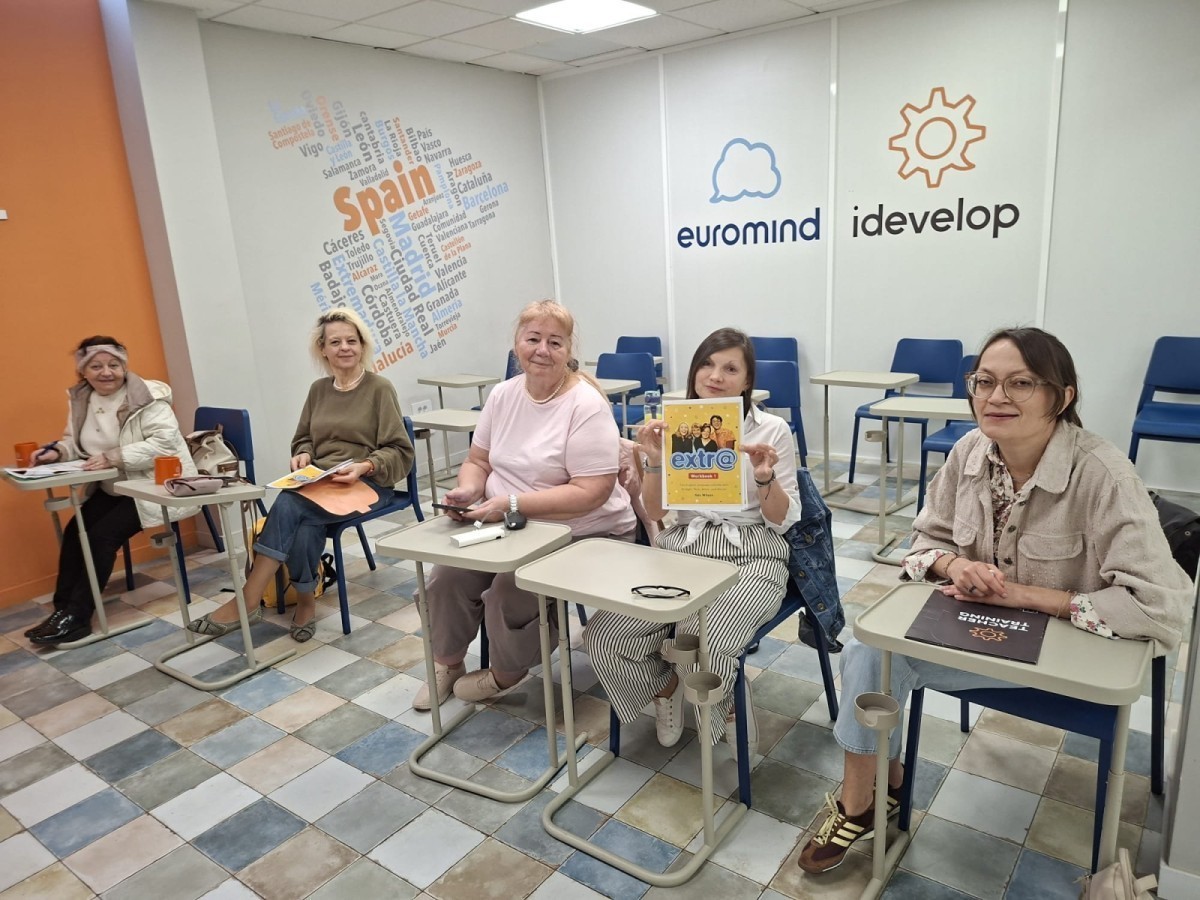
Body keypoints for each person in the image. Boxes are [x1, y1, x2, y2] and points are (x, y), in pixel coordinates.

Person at [797, 327, 1192, 874]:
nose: (995, 397)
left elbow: (1160, 605)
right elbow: (924, 541)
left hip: (1066, 653)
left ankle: (877, 789)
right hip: (983, 636)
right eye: (984, 381)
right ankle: (863, 800)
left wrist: (1027, 596)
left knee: (878, 660)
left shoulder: (1104, 475)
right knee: (870, 651)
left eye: (1020, 383)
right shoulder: (969, 452)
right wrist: (954, 565)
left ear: (1062, 396)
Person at [586, 328, 803, 756]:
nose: (715, 376)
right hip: (683, 545)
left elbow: (781, 520)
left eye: (730, 368)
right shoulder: (675, 425)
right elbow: (655, 510)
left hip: (752, 551)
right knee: (604, 636)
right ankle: (666, 687)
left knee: (707, 638)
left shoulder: (771, 429)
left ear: (747, 380)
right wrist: (653, 461)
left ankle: (724, 706)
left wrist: (765, 478)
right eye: (707, 364)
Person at [414, 300, 636, 709]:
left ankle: (507, 672)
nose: (542, 350)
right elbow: (478, 460)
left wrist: (511, 503)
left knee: (509, 589)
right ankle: (447, 662)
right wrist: (468, 490)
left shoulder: (585, 404)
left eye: (555, 342)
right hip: (509, 522)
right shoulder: (503, 395)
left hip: (582, 529)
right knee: (446, 577)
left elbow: (591, 492)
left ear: (568, 350)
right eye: (533, 339)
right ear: (517, 343)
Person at [189, 308, 413, 642]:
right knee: (304, 522)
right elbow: (303, 437)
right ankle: (305, 601)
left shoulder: (380, 388)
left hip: (365, 483)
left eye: (351, 341)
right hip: (322, 482)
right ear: (323, 349)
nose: (344, 347)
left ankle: (249, 599)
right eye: (335, 342)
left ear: (362, 345)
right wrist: (304, 453)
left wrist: (365, 466)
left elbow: (400, 450)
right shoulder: (318, 389)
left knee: (290, 505)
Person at [24, 336, 199, 645]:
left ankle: (78, 617)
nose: (106, 372)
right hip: (114, 485)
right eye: (96, 366)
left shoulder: (147, 396)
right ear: (83, 371)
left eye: (114, 365)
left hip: (154, 483)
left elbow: (165, 444)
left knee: (100, 537)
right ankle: (62, 610)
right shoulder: (82, 399)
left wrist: (113, 456)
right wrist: (57, 452)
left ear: (124, 367)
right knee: (75, 531)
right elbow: (75, 441)